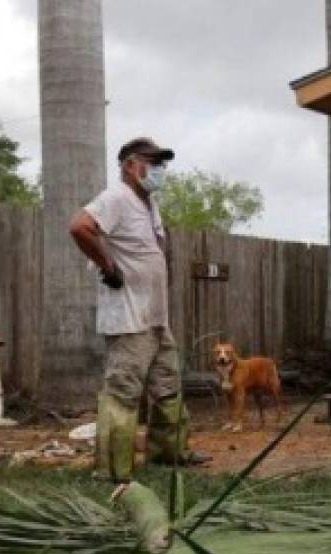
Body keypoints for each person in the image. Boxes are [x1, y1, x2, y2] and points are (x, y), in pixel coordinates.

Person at [69, 137, 210, 483]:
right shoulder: (115, 197)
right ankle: (113, 469)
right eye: (153, 162)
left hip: (156, 317)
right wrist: (109, 266)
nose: (159, 169)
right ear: (130, 165)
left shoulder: (148, 204)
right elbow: (79, 227)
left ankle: (169, 453)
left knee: (167, 384)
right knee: (123, 389)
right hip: (130, 318)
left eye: (162, 163)